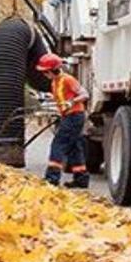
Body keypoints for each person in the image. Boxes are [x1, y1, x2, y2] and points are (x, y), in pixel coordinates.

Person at [36, 53, 89, 188]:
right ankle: (81, 178)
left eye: (45, 72)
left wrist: (72, 102)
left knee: (58, 144)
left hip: (74, 116)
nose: (44, 75)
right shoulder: (55, 82)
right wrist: (46, 97)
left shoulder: (68, 79)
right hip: (67, 116)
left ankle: (52, 178)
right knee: (74, 147)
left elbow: (84, 94)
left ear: (52, 70)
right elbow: (60, 97)